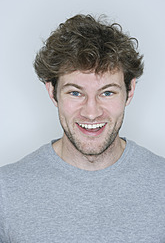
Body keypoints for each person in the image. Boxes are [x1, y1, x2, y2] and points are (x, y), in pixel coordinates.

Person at [0, 14, 165, 243]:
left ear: (130, 90)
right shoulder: (5, 191)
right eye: (75, 92)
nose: (91, 112)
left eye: (107, 92)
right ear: (52, 92)